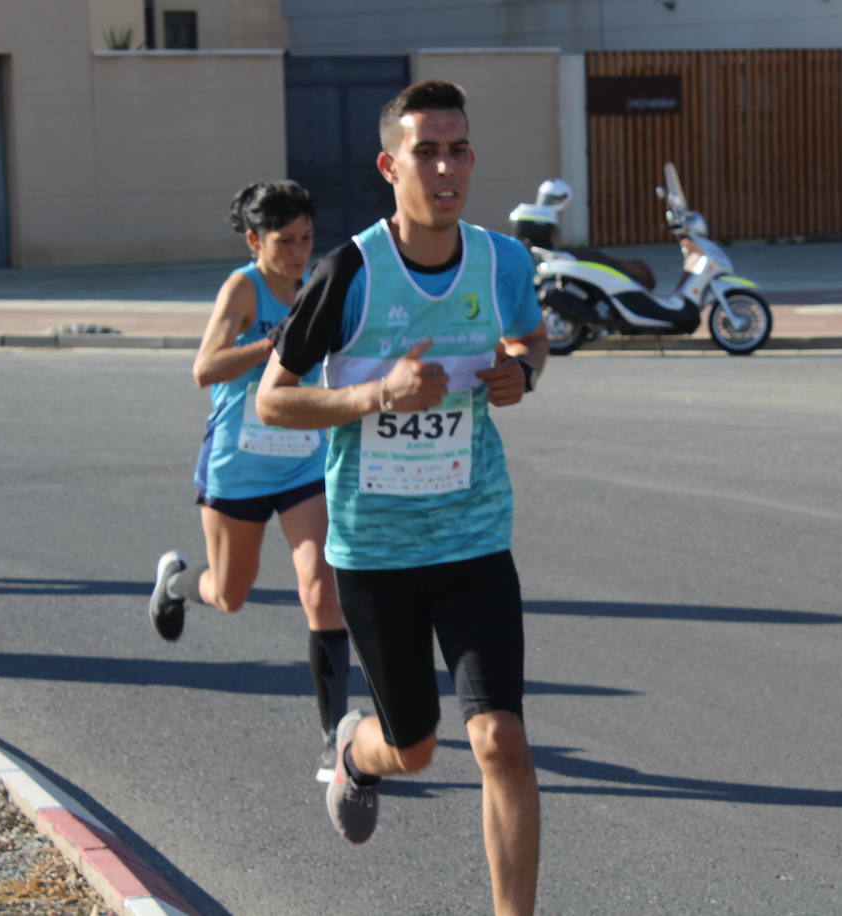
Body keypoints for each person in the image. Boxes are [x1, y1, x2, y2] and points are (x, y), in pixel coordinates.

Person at [255, 80, 546, 915]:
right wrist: (376, 394)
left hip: (474, 537)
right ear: (390, 165)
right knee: (413, 748)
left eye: (458, 149)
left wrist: (519, 371)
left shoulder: (502, 261)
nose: (446, 167)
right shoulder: (349, 271)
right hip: (375, 551)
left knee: (500, 739)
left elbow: (529, 335)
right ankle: (357, 753)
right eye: (427, 151)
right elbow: (275, 400)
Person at [148, 180, 352, 783]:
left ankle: (331, 738)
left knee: (319, 585)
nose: (298, 251)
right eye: (284, 241)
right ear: (254, 240)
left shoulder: (320, 282)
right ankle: (177, 582)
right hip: (238, 462)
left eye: (307, 238)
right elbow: (203, 369)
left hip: (303, 460)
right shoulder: (243, 288)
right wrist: (270, 343)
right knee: (231, 593)